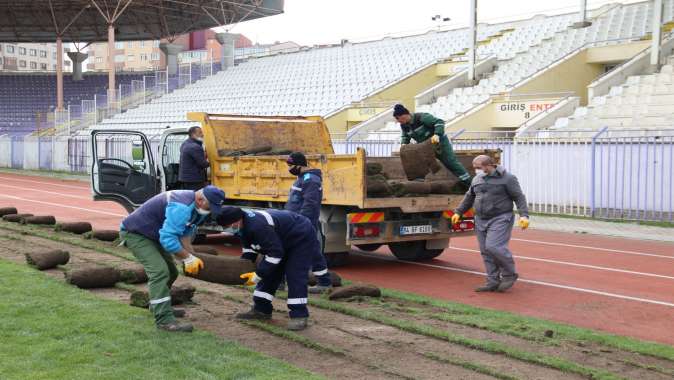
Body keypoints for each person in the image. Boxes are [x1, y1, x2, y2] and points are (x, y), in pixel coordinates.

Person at [119, 186, 225, 332]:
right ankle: (164, 321)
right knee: (160, 272)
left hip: (153, 234)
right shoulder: (181, 207)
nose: (211, 210)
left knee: (172, 272)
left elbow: (185, 234)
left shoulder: (198, 208)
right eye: (210, 206)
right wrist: (187, 258)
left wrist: (192, 256)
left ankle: (159, 307)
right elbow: (168, 238)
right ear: (200, 200)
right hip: (136, 234)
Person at [215, 207, 316, 331]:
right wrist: (245, 265)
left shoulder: (256, 226)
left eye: (227, 226)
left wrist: (257, 275)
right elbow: (249, 248)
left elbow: (275, 254)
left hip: (300, 235)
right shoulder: (243, 226)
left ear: (237, 220)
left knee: (295, 274)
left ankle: (299, 316)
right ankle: (261, 310)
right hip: (280, 238)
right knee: (270, 272)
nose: (227, 229)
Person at [451, 155, 529, 292]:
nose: (476, 171)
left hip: (500, 217)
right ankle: (492, 281)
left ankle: (509, 274)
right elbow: (470, 196)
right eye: (474, 168)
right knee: (485, 251)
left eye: (478, 168)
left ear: (489, 166)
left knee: (494, 247)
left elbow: (519, 196)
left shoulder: (508, 178)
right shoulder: (477, 179)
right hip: (481, 219)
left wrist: (524, 215)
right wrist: (458, 212)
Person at [284, 152, 332, 293]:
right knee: (294, 250)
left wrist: (301, 223)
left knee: (311, 252)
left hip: (303, 223)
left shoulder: (310, 180)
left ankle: (324, 282)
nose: (289, 169)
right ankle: (280, 281)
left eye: (291, 165)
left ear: (300, 165)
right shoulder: (302, 178)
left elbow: (310, 204)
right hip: (295, 221)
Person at [393, 103, 472, 187]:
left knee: (450, 163)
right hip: (425, 147)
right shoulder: (404, 125)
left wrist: (437, 134)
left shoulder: (421, 117)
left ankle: (469, 183)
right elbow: (405, 135)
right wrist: (404, 144)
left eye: (398, 119)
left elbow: (439, 122)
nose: (398, 121)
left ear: (404, 115)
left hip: (439, 143)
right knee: (418, 162)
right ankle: (418, 183)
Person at [178, 126, 209, 190]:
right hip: (194, 180)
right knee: (195, 197)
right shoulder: (195, 147)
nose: (202, 135)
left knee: (188, 197)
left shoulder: (185, 143)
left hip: (185, 179)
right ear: (193, 134)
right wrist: (210, 161)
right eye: (200, 133)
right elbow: (203, 164)